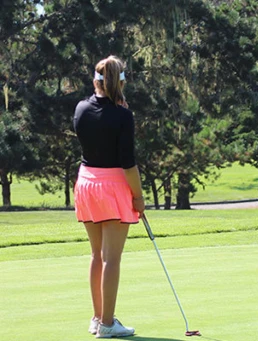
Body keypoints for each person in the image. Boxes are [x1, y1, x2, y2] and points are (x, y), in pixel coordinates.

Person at [73, 56, 144, 338]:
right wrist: (138, 197)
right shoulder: (124, 115)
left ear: (95, 81)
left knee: (96, 255)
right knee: (111, 258)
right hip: (113, 186)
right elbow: (128, 163)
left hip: (87, 183)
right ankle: (107, 323)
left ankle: (97, 318)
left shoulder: (80, 108)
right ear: (121, 82)